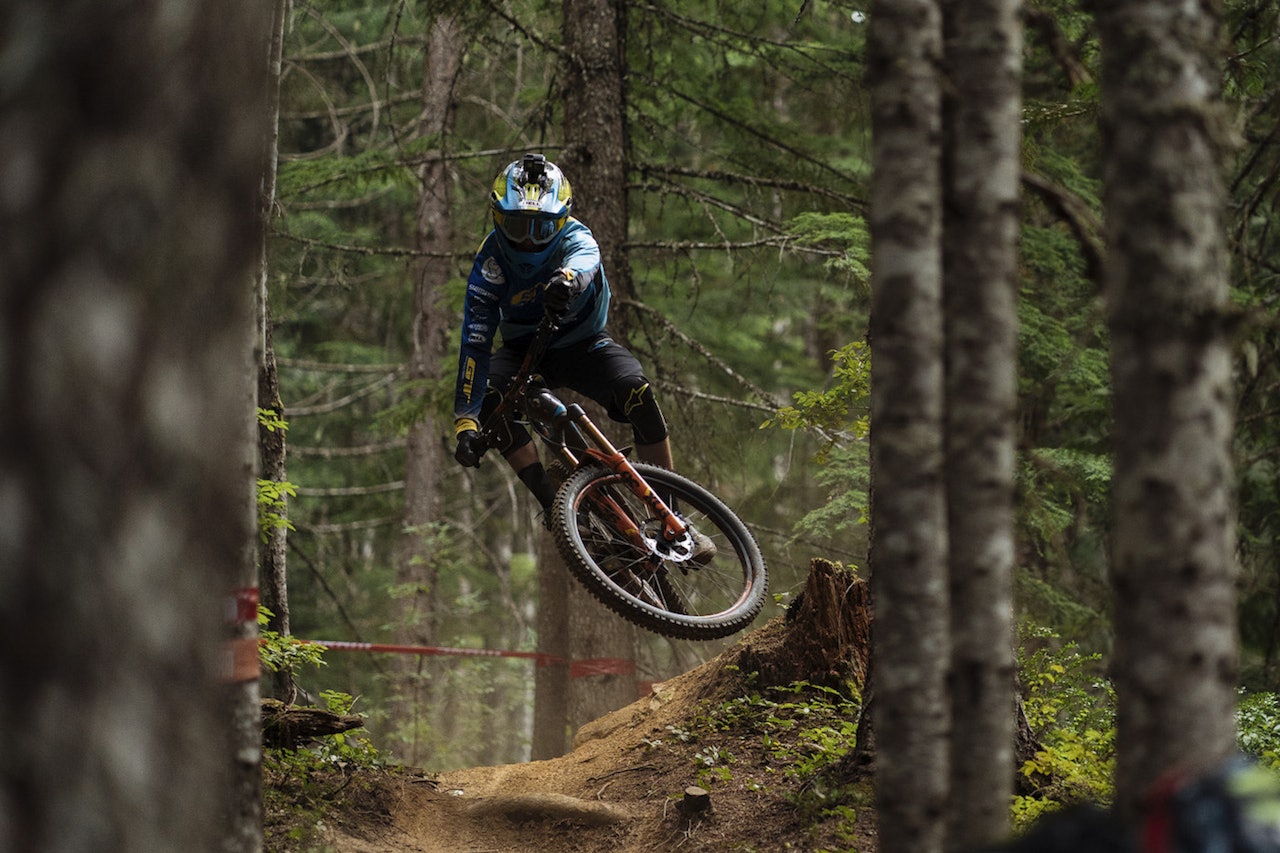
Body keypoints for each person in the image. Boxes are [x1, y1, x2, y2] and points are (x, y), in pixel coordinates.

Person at [451, 152, 686, 531]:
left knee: (636, 391)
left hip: (584, 344)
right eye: (516, 226)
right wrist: (466, 421)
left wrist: (568, 280)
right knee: (492, 401)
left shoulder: (575, 236)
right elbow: (475, 342)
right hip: (524, 352)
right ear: (497, 218)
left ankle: (669, 513)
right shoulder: (490, 260)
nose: (528, 242)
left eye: (541, 230)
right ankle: (555, 509)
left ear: (560, 222)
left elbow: (586, 258)